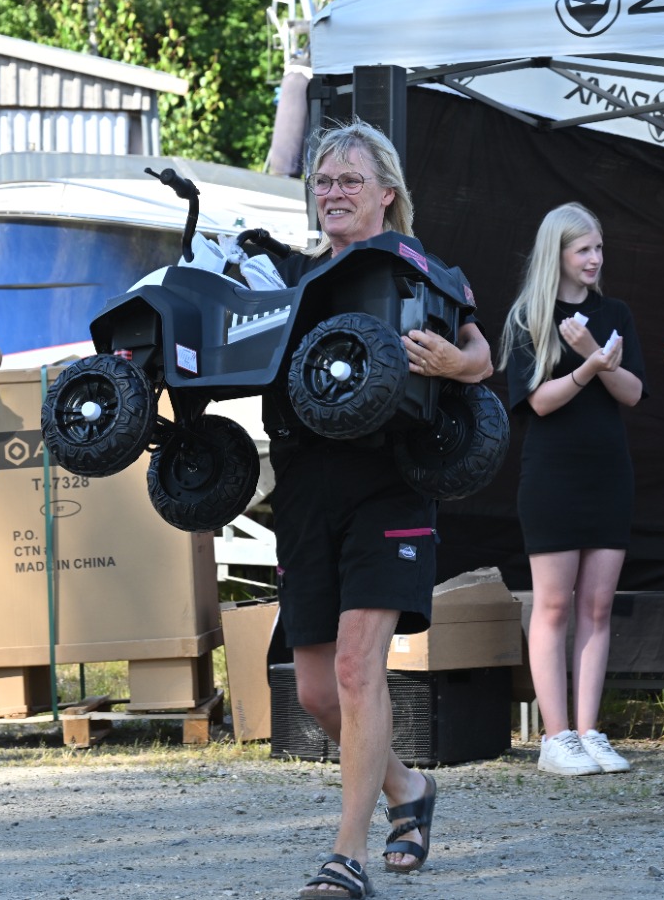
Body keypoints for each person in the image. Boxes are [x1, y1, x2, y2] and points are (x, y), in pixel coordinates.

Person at [264, 120, 493, 899]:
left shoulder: (417, 269)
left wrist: (454, 362)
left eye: (349, 180)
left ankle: (347, 855)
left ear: (386, 193)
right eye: (324, 181)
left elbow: (482, 353)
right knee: (316, 692)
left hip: (389, 484)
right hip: (304, 488)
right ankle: (408, 786)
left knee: (359, 666)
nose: (333, 193)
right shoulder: (296, 281)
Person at [499, 203, 645, 776]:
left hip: (609, 473)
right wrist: (589, 365)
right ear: (556, 253)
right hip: (553, 476)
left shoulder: (615, 313)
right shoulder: (527, 319)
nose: (594, 259)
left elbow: (632, 393)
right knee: (554, 604)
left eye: (599, 248)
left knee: (598, 605)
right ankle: (555, 736)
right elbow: (538, 402)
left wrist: (592, 354)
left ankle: (589, 732)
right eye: (584, 249)